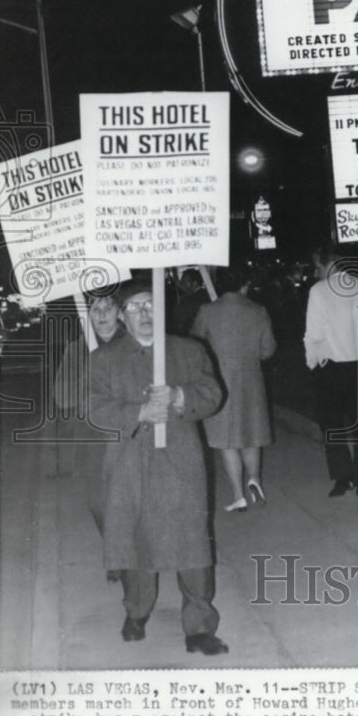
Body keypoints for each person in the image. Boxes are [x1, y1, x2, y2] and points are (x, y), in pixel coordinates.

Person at [88, 279, 228, 654]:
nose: (145, 313)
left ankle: (199, 626)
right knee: (135, 540)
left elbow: (213, 393)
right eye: (134, 307)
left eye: (151, 304)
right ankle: (136, 611)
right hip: (130, 463)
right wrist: (139, 412)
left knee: (191, 539)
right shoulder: (103, 359)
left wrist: (181, 396)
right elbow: (95, 409)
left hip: (180, 460)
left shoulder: (188, 350)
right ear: (121, 315)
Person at [304, 244, 358, 499]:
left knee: (332, 425)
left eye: (317, 266)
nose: (316, 272)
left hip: (332, 368)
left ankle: (343, 478)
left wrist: (312, 362)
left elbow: (314, 334)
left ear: (328, 264)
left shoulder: (319, 291)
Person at [192, 266, 277, 512]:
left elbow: (197, 345)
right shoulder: (258, 311)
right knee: (251, 435)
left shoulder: (207, 311)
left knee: (226, 441)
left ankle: (238, 494)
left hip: (219, 380)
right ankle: (255, 479)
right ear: (245, 284)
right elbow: (268, 349)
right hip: (251, 380)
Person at [53, 290, 125, 537]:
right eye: (95, 309)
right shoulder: (76, 350)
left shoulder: (137, 343)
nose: (102, 314)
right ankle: (113, 545)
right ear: (87, 315)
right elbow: (62, 399)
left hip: (129, 435)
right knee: (97, 500)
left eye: (108, 307)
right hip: (92, 438)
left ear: (120, 312)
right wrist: (87, 376)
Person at [171, 267, 210, 336]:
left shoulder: (187, 301)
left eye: (184, 281)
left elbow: (180, 325)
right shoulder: (208, 295)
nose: (181, 284)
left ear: (194, 283)